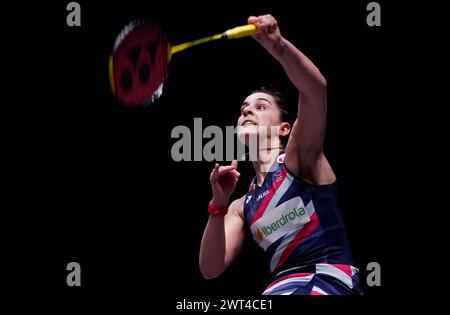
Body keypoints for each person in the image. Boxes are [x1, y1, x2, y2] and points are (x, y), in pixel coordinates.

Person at [199, 14, 362, 295]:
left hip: (327, 279)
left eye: (260, 107)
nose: (246, 111)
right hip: (281, 288)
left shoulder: (300, 159)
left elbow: (315, 90)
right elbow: (211, 268)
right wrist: (218, 205)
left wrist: (278, 45)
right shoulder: (243, 205)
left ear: (284, 128)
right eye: (243, 109)